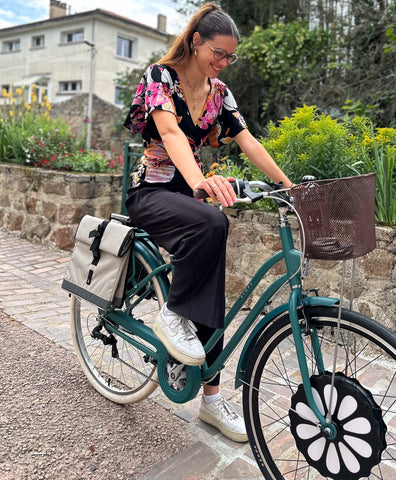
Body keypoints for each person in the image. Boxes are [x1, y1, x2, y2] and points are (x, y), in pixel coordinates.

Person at [124, 2, 292, 443]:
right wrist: (200, 183)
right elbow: (172, 134)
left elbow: (248, 140)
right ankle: (173, 312)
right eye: (218, 53)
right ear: (196, 41)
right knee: (212, 223)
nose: (223, 63)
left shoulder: (219, 92)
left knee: (212, 279)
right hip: (152, 193)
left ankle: (212, 401)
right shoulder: (160, 76)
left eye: (230, 57)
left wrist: (288, 184)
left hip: (189, 197)